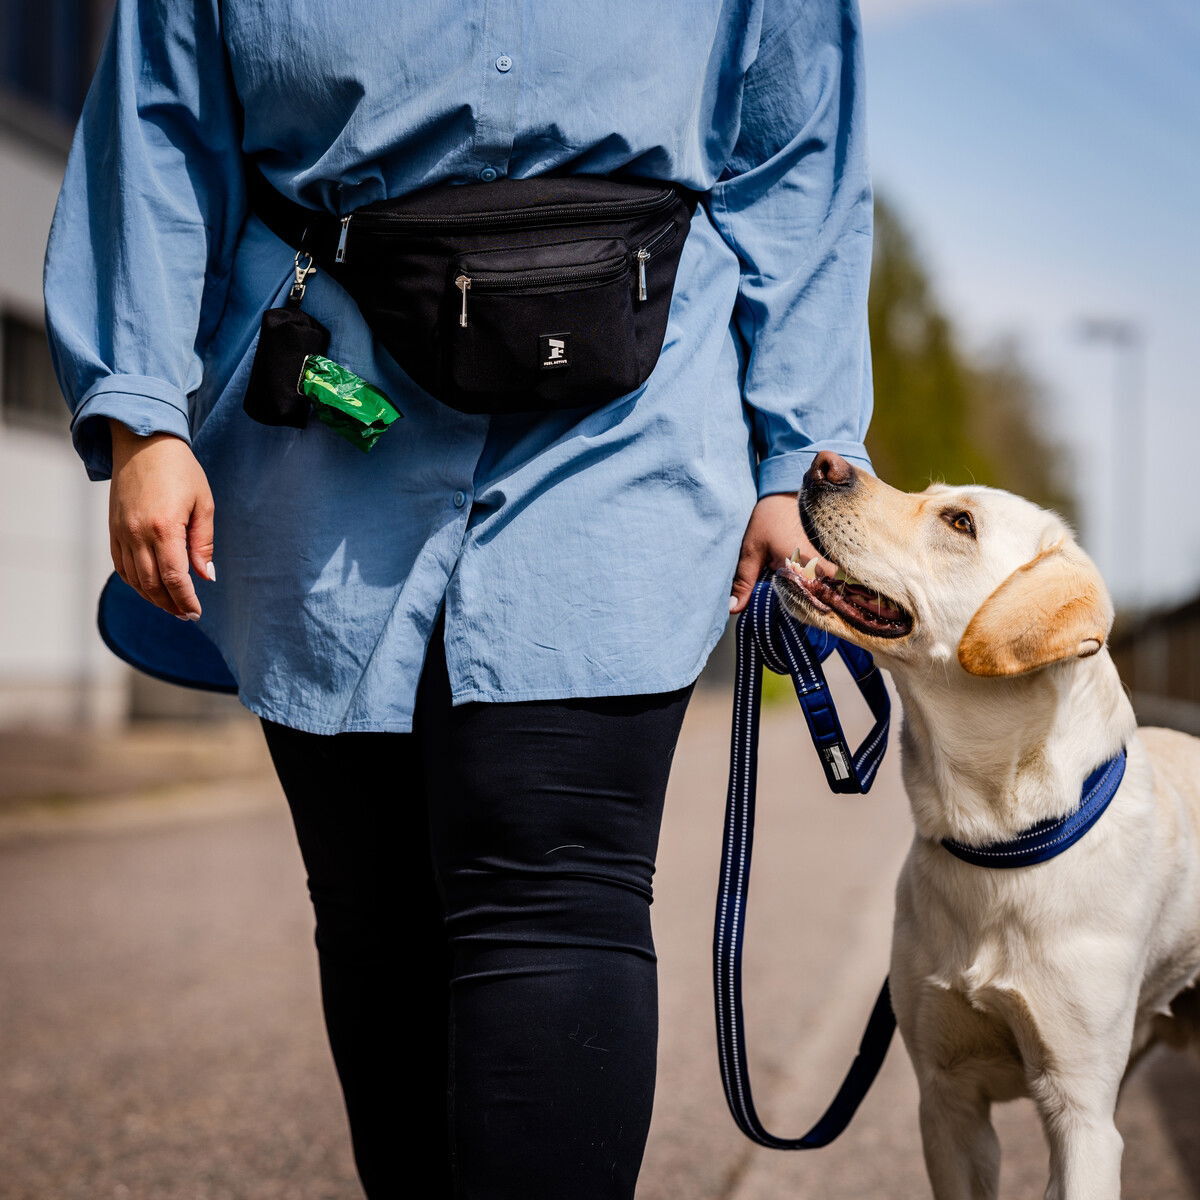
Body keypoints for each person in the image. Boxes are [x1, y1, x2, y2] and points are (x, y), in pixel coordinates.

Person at [42, 1, 874, 1196]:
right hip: (324, 428)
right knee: (376, 912)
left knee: (559, 890)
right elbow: (160, 127)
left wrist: (801, 458)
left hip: (626, 432)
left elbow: (796, 168)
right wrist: (143, 417)